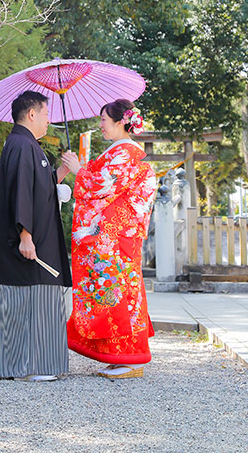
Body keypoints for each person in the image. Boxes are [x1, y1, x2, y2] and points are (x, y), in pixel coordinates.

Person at [62, 99, 157, 380]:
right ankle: (119, 356)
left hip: (116, 239)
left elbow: (104, 185)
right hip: (113, 238)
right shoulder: (119, 151)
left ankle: (130, 357)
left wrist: (80, 170)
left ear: (120, 122)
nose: (100, 125)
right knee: (113, 294)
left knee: (119, 294)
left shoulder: (127, 152)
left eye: (104, 119)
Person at [0, 90, 73, 381]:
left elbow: (40, 185)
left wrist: (61, 171)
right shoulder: (22, 145)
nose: (49, 120)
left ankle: (13, 365)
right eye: (46, 114)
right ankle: (36, 366)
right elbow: (22, 191)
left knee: (27, 301)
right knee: (33, 300)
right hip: (30, 241)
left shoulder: (26, 145)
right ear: (32, 114)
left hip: (37, 238)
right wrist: (25, 234)